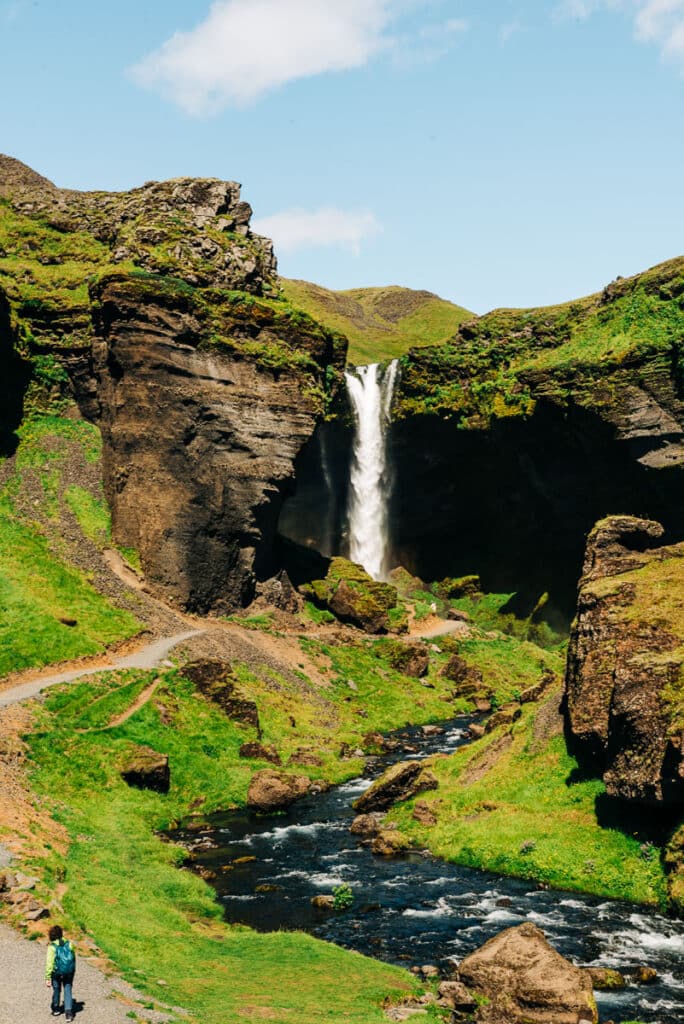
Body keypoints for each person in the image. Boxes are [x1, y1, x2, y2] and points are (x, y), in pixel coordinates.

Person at [45, 925, 76, 1021]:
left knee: (57, 989)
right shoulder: (69, 944)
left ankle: (56, 1009)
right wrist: (72, 970)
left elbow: (49, 963)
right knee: (67, 988)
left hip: (57, 972)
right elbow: (73, 957)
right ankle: (69, 1013)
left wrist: (47, 977)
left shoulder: (52, 947)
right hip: (69, 971)